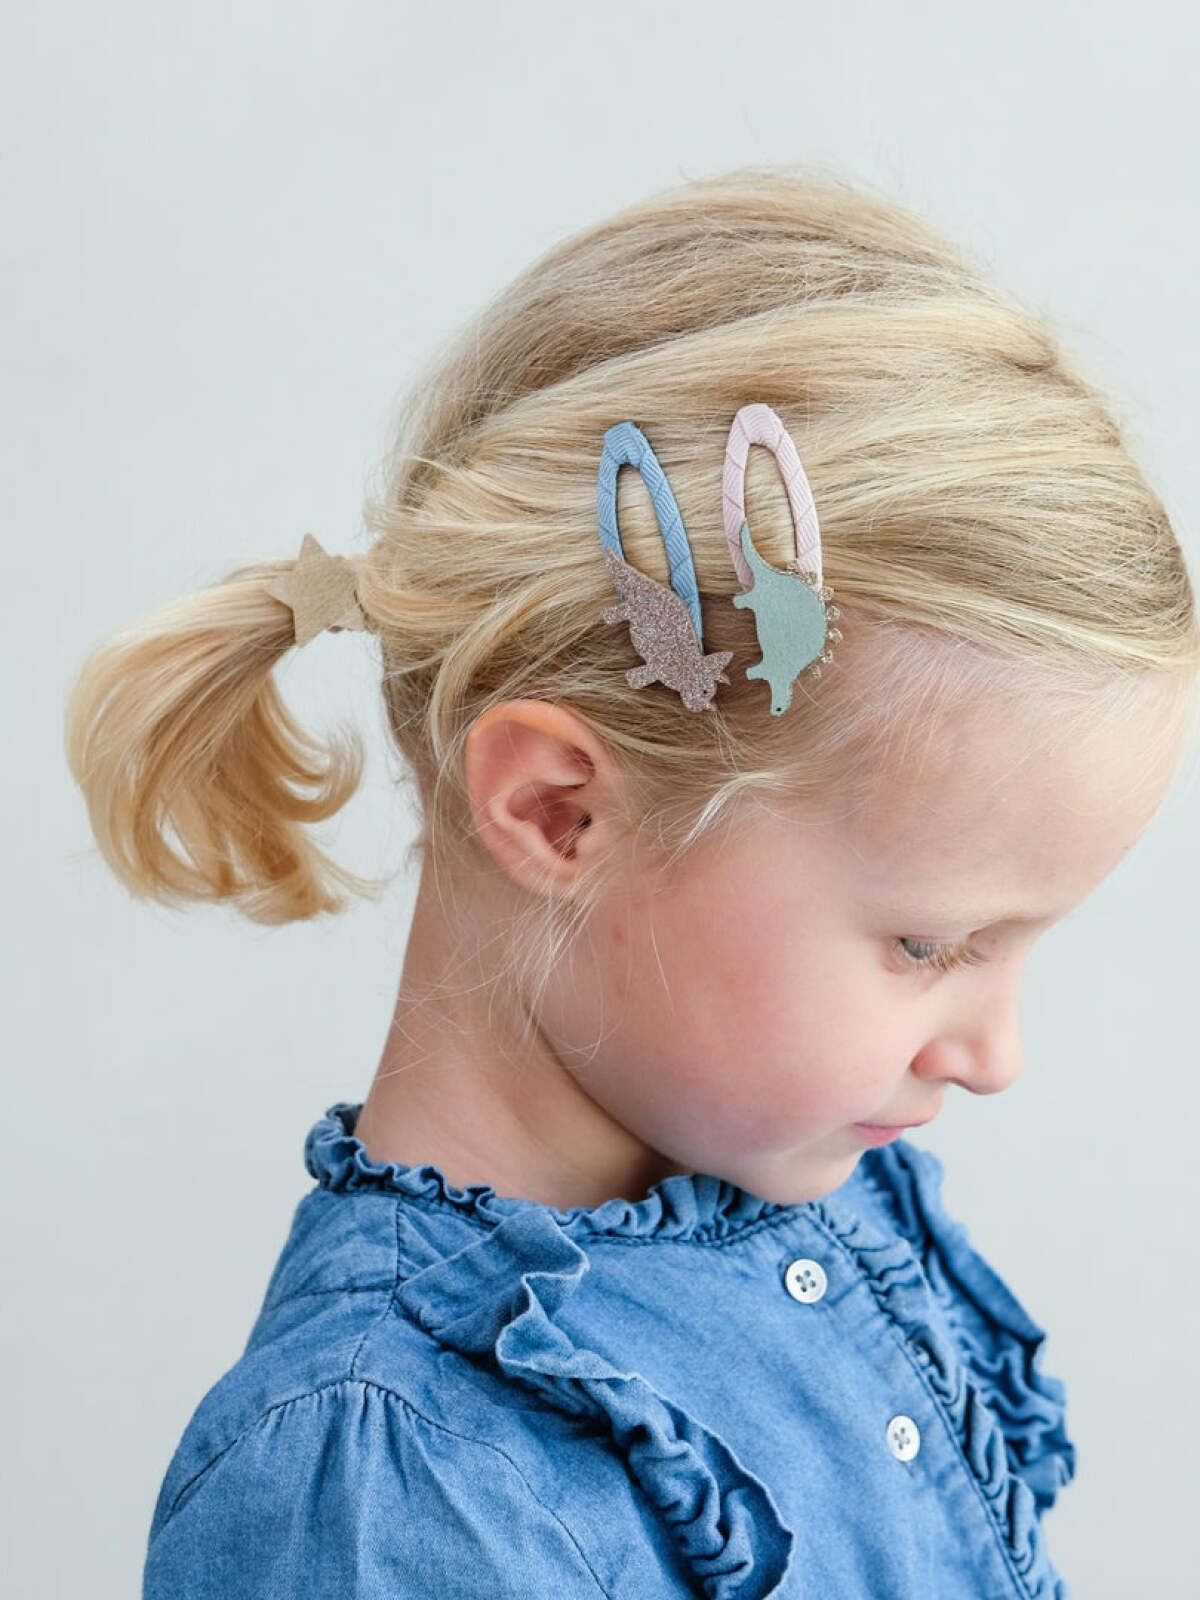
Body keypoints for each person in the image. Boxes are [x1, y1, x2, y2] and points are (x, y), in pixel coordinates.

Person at [64, 164, 1199, 1599]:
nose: (994, 1055)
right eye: (928, 944)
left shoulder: (807, 1192)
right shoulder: (382, 1490)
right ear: (561, 814)